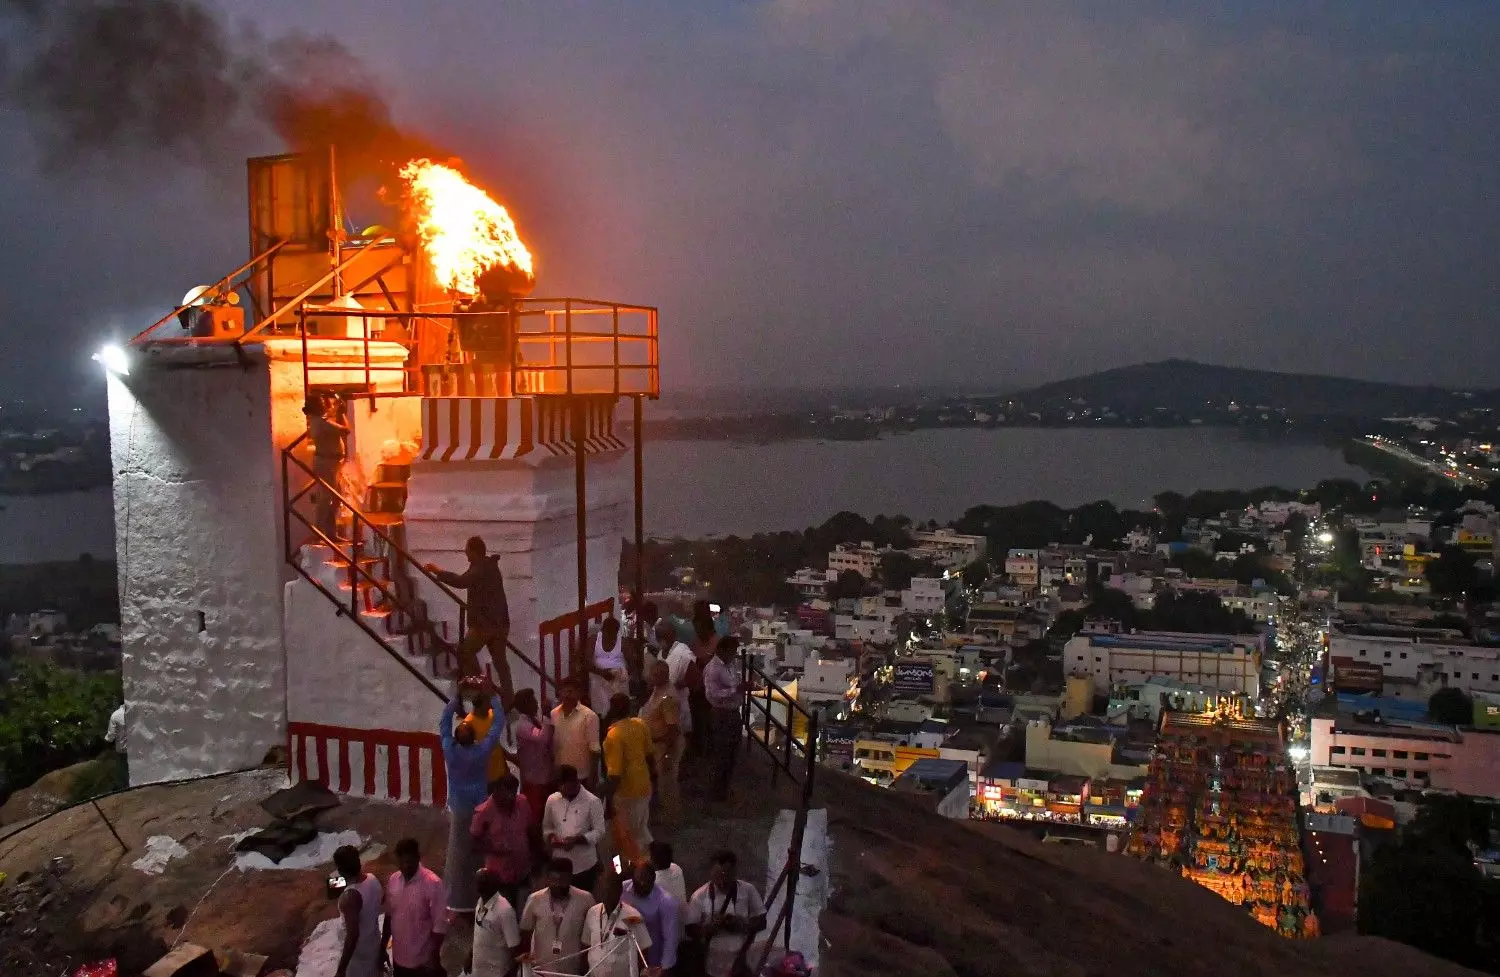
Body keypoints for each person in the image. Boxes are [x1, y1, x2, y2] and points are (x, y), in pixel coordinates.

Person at [440, 683, 505, 914]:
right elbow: (497, 725)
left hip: (459, 807)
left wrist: (455, 701)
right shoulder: (481, 752)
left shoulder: (450, 750)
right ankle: (480, 893)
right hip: (479, 807)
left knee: (458, 853)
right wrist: (493, 697)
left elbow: (443, 724)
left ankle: (456, 898)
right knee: (479, 851)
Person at [425, 536, 512, 694]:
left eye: (467, 550)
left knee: (465, 651)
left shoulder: (481, 568)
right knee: (500, 663)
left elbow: (461, 581)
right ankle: (508, 698)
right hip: (499, 623)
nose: (465, 552)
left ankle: (480, 687)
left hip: (485, 624)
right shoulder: (488, 566)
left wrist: (438, 571)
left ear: (475, 552)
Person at [687, 850, 766, 977]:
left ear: (735, 872)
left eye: (727, 876)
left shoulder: (748, 890)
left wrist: (741, 923)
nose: (722, 882)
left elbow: (762, 922)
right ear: (711, 872)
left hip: (741, 961)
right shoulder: (699, 896)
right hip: (712, 965)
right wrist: (710, 928)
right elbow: (690, 929)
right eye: (718, 876)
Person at [519, 856, 595, 977]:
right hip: (541, 970)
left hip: (572, 970)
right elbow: (525, 932)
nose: (557, 884)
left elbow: (592, 934)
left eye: (562, 879)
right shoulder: (535, 899)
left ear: (570, 878)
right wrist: (526, 963)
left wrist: (585, 964)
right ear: (548, 878)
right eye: (553, 879)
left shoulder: (586, 899)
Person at [383, 838, 448, 977]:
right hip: (399, 959)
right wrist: (383, 947)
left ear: (418, 858)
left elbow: (439, 926)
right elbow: (389, 916)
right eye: (402, 862)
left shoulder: (433, 883)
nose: (406, 866)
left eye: (410, 862)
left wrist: (433, 958)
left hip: (422, 962)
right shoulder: (393, 880)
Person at [601, 692, 654, 861]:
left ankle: (627, 870)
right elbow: (650, 756)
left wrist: (608, 802)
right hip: (644, 788)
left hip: (625, 794)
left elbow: (615, 775)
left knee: (621, 839)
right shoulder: (640, 724)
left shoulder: (613, 735)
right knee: (640, 831)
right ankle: (643, 866)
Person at [469, 774, 533, 912]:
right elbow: (474, 845)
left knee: (523, 912)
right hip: (499, 876)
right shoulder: (484, 812)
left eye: (513, 793)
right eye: (507, 793)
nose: (510, 798)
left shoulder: (522, 803)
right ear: (497, 791)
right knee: (504, 913)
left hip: (523, 870)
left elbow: (531, 830)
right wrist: (497, 851)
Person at [542, 764, 608, 893]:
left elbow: (600, 831)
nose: (561, 790)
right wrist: (551, 838)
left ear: (575, 782)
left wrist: (577, 840)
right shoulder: (552, 800)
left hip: (584, 867)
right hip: (559, 864)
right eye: (559, 786)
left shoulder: (592, 801)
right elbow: (547, 827)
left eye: (565, 786)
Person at [584, 865, 655, 977]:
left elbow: (644, 949)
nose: (605, 893)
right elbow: (586, 945)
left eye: (610, 889)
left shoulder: (633, 916)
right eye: (602, 888)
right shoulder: (592, 912)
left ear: (619, 890)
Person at [703, 635, 748, 801]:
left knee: (732, 753)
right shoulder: (713, 669)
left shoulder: (730, 665)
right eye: (732, 651)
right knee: (722, 753)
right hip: (722, 714)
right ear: (723, 650)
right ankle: (716, 791)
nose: (734, 654)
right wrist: (736, 690)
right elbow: (713, 694)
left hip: (733, 712)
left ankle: (724, 788)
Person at [638, 659, 683, 824]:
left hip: (664, 745)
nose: (651, 678)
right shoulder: (658, 690)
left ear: (664, 676)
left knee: (667, 782)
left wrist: (667, 754)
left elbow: (672, 729)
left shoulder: (667, 697)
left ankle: (671, 818)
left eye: (654, 675)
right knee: (658, 781)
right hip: (655, 744)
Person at [332, 845, 383, 977]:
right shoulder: (372, 879)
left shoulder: (350, 897)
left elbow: (352, 935)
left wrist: (341, 970)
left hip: (358, 957)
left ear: (340, 870)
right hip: (373, 944)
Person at [306, 392, 351, 541]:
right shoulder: (321, 422)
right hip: (327, 463)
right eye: (321, 402)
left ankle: (330, 533)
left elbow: (331, 420)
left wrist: (336, 410)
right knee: (326, 498)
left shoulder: (320, 420)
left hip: (331, 463)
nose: (325, 404)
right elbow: (346, 430)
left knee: (334, 498)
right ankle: (319, 533)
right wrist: (342, 413)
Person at [622, 857, 679, 976]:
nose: (642, 884)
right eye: (639, 882)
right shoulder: (623, 889)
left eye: (646, 882)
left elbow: (670, 938)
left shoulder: (665, 901)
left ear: (653, 881)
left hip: (652, 960)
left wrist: (663, 969)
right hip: (625, 955)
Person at [510, 687, 555, 832]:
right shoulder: (523, 725)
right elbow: (542, 738)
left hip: (543, 775)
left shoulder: (533, 721)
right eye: (533, 701)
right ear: (526, 705)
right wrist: (547, 716)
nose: (537, 705)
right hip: (534, 779)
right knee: (535, 816)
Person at [470, 868, 522, 977]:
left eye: (484, 882)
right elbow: (479, 934)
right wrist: (470, 956)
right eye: (478, 881)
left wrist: (511, 973)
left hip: (497, 972)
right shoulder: (480, 901)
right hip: (478, 970)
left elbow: (514, 946)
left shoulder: (505, 910)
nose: (479, 885)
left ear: (495, 885)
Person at [551, 677, 602, 787]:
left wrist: (592, 777)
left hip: (581, 777)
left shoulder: (590, 716)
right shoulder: (553, 714)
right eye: (564, 691)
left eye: (570, 691)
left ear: (579, 694)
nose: (566, 695)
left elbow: (595, 750)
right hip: (560, 776)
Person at [590, 616, 630, 712]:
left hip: (618, 678)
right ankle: (602, 715)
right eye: (608, 633)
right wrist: (602, 673)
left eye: (613, 633)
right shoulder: (594, 640)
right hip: (598, 676)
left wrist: (622, 673)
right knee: (602, 706)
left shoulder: (623, 642)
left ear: (617, 632)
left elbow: (631, 662)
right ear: (602, 630)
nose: (610, 636)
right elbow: (586, 662)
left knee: (618, 705)